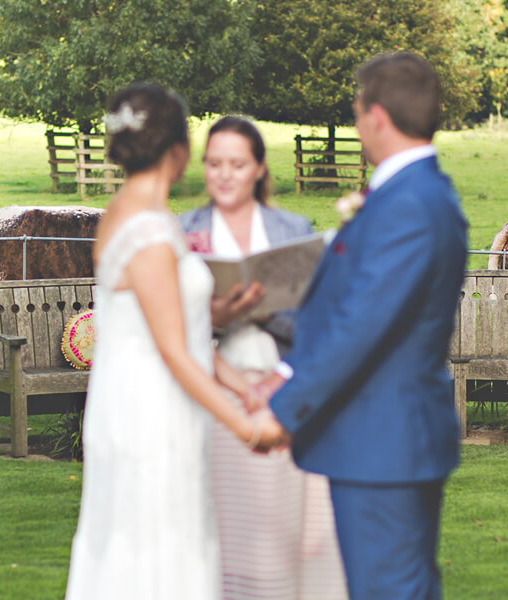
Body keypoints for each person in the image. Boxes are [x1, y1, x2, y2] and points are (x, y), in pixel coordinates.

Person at [257, 53, 469, 599]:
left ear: (376, 114)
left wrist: (285, 407)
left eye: (356, 111)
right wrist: (285, 368)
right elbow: (348, 306)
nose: (356, 124)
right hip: (387, 437)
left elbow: (363, 324)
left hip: (384, 442)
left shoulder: (409, 204)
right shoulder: (410, 195)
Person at [65, 84, 285, 600]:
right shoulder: (150, 230)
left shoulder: (133, 213)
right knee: (156, 553)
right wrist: (248, 427)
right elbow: (173, 350)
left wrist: (241, 387)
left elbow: (183, 332)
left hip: (143, 399)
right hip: (150, 411)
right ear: (181, 151)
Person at [178, 115, 347, 600]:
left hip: (283, 388)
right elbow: (175, 327)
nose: (224, 174)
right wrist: (217, 316)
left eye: (236, 163)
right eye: (214, 164)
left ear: (257, 168)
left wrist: (261, 311)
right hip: (213, 390)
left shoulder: (291, 228)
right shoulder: (183, 229)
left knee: (281, 524)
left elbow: (317, 321)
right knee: (223, 520)